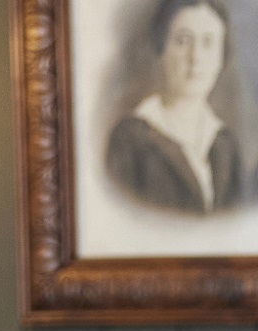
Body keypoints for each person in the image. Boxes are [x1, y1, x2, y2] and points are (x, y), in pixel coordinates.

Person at [103, 0, 241, 217]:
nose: (195, 58)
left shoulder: (226, 145)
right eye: (182, 40)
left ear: (220, 58)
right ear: (162, 48)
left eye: (208, 42)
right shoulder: (130, 140)